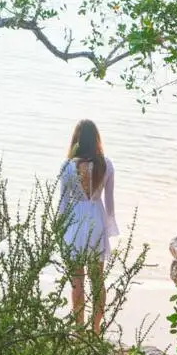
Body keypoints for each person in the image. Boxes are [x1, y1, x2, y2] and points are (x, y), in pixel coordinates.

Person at [57, 119, 118, 328]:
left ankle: (79, 330)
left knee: (77, 282)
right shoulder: (106, 165)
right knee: (97, 280)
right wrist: (108, 226)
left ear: (76, 140)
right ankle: (96, 329)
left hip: (75, 223)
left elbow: (63, 203)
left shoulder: (67, 167)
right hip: (96, 222)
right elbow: (109, 204)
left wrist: (58, 230)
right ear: (96, 140)